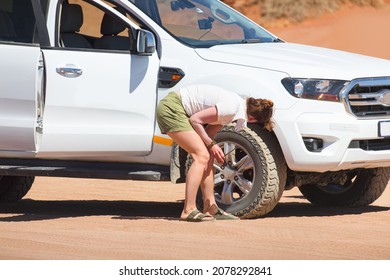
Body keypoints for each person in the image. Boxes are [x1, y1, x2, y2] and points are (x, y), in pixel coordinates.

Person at [156, 84, 274, 222]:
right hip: (171, 108)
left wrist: (211, 147)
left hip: (176, 108)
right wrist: (211, 145)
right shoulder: (231, 108)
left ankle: (210, 207)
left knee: (208, 155)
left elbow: (208, 134)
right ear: (253, 119)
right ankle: (188, 210)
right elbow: (195, 120)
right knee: (201, 156)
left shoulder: (234, 110)